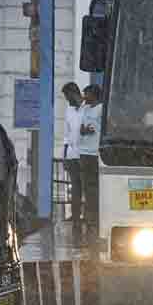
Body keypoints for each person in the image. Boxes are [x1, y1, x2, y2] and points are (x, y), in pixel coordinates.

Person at [77, 84, 103, 245]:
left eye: (87, 93)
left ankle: (96, 219)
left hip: (95, 152)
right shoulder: (85, 109)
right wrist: (83, 130)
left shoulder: (101, 109)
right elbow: (81, 128)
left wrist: (90, 130)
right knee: (87, 187)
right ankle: (90, 219)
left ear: (94, 94)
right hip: (84, 152)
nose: (84, 96)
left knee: (95, 187)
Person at [59, 82, 83, 236]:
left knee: (88, 190)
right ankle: (76, 222)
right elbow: (67, 135)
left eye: (68, 97)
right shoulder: (68, 110)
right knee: (76, 191)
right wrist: (65, 156)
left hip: (87, 155)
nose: (68, 101)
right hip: (72, 156)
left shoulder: (88, 108)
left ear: (75, 93)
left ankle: (89, 220)